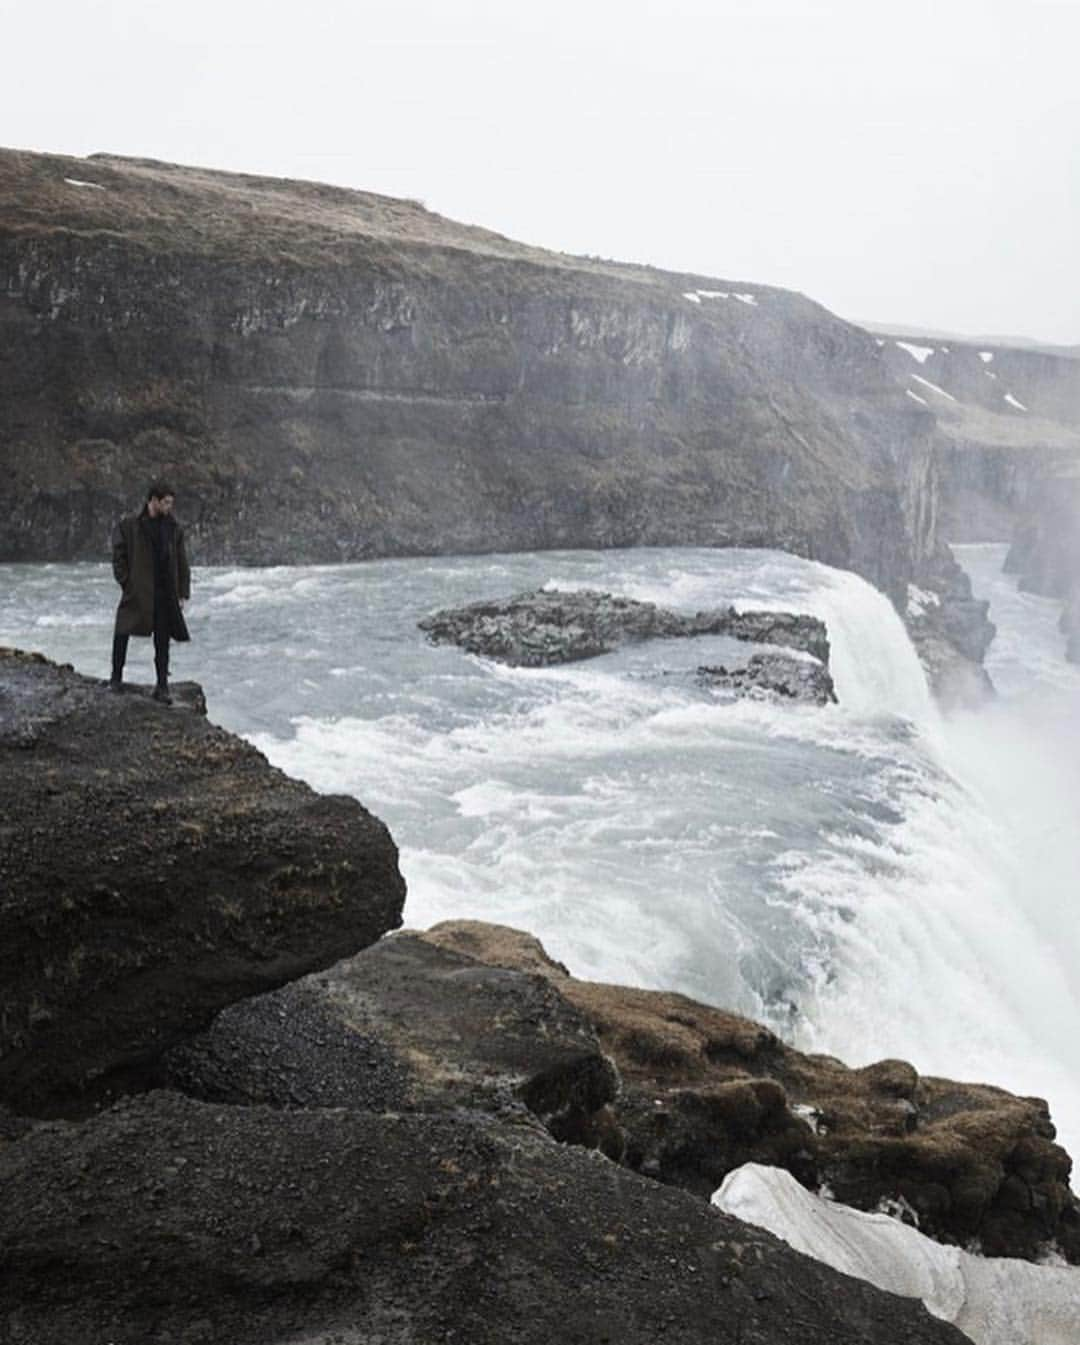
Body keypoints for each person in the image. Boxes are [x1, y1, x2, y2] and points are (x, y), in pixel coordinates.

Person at [110, 481, 191, 703]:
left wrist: (183, 591)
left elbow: (182, 561)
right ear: (153, 500)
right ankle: (115, 678)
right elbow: (119, 555)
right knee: (122, 631)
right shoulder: (130, 525)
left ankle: (162, 686)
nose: (169, 508)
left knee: (162, 640)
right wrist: (126, 582)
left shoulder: (174, 528)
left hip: (165, 591)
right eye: (165, 503)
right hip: (138, 589)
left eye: (171, 503)